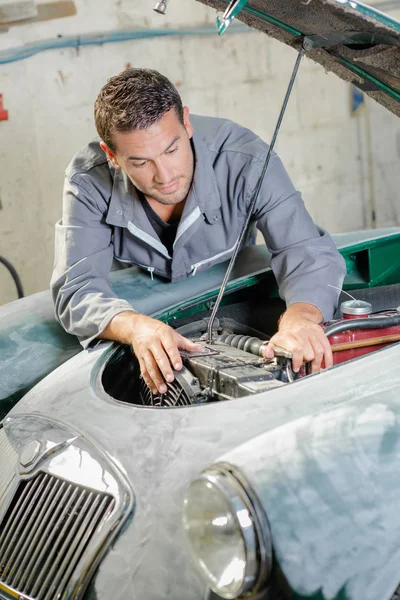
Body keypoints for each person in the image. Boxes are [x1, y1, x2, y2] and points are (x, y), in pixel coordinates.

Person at [51, 68, 346, 394]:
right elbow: (78, 290)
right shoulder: (88, 180)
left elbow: (302, 248)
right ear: (112, 156)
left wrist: (301, 318)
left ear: (186, 123)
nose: (164, 176)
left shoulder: (245, 158)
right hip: (138, 309)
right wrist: (135, 327)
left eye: (171, 150)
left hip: (230, 295)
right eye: (140, 162)